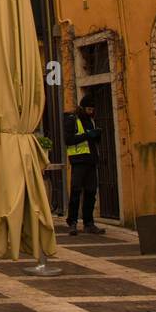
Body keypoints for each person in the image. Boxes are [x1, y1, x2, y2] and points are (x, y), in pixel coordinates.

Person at [63, 93, 106, 236]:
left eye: (92, 109)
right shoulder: (72, 120)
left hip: (91, 161)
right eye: (88, 109)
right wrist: (89, 135)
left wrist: (96, 135)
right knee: (76, 192)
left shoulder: (91, 120)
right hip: (78, 161)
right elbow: (68, 140)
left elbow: (93, 141)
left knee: (91, 192)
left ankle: (89, 223)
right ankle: (73, 222)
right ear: (82, 108)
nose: (91, 112)